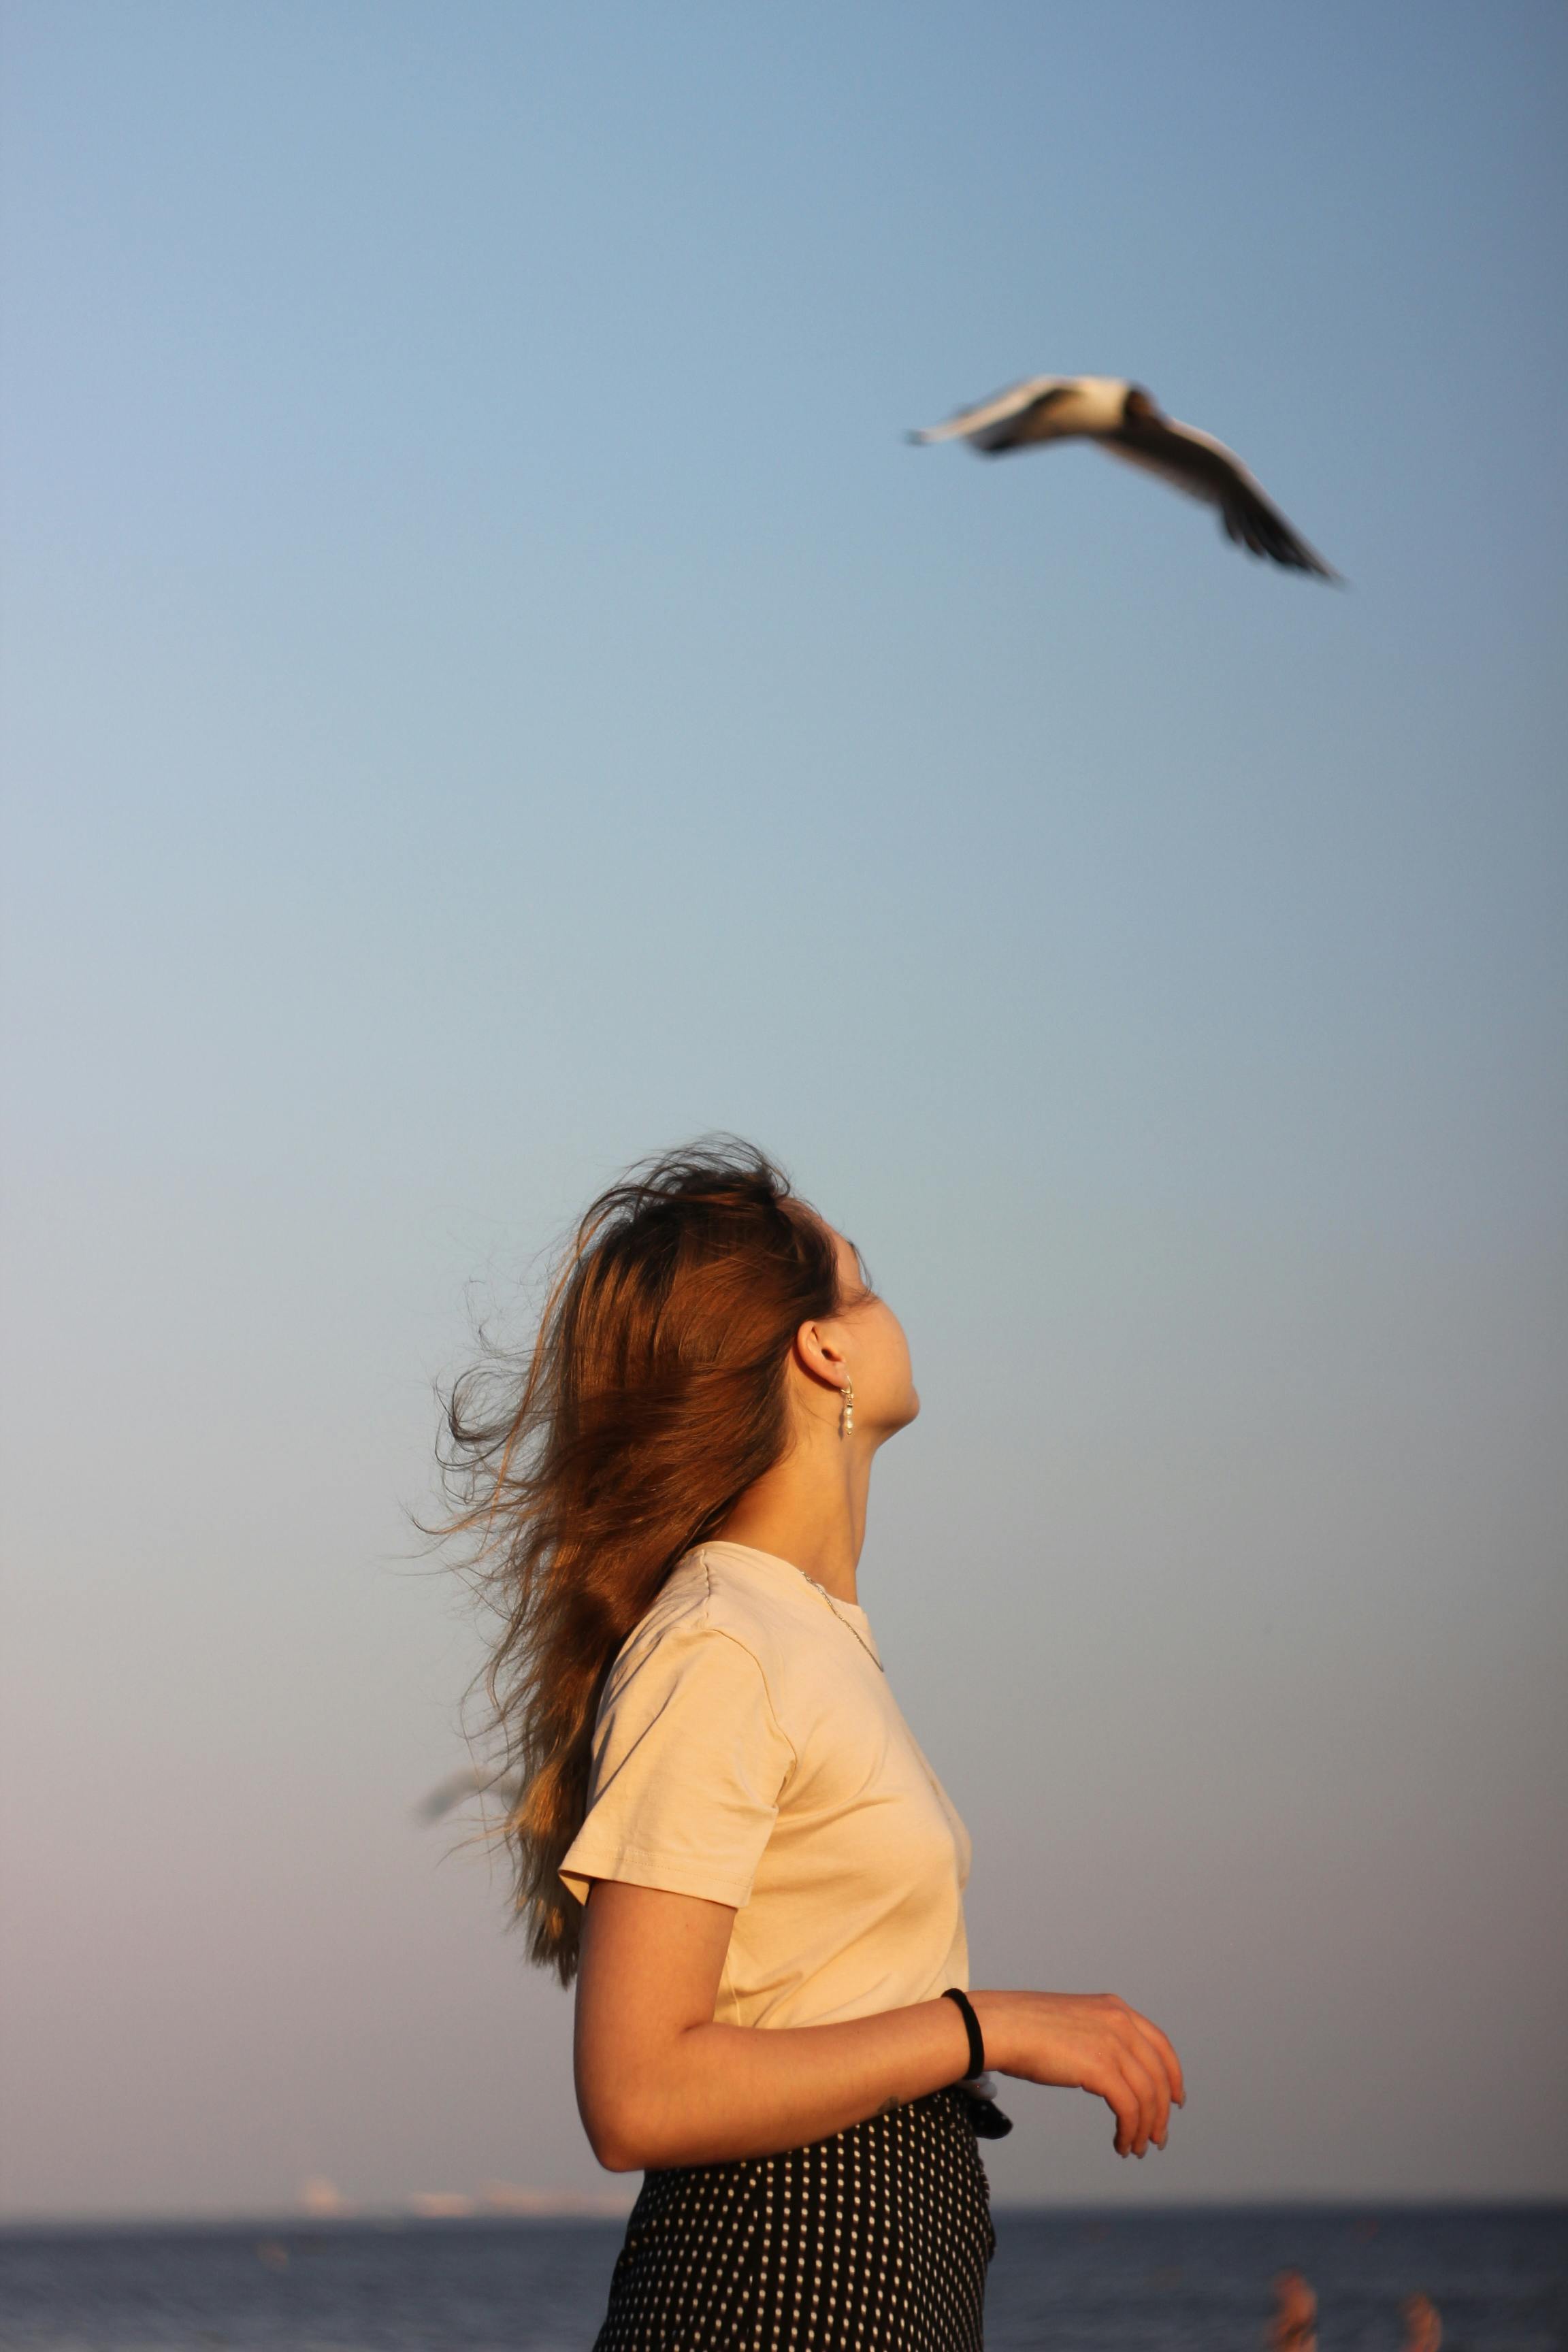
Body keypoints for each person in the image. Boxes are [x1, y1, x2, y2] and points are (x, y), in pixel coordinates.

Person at [441, 1141, 1185, 2351]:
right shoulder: (725, 1642)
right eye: (865, 1278)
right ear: (821, 1348)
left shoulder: (802, 1636)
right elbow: (636, 2093)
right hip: (781, 2283)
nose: (892, 1307)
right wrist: (991, 2026)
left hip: (868, 2274)